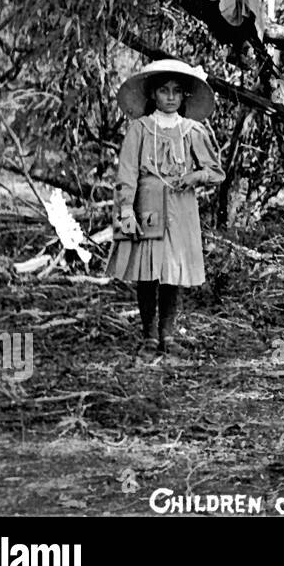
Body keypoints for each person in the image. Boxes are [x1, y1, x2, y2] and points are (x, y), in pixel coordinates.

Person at [109, 59, 225, 355]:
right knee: (147, 271)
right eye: (164, 90)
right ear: (152, 94)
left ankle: (168, 336)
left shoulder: (191, 130)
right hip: (146, 202)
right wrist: (125, 210)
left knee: (172, 270)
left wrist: (194, 176)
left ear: (184, 95)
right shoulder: (140, 128)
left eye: (176, 91)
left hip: (180, 206)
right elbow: (126, 172)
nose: (170, 97)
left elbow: (215, 171)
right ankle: (148, 336)